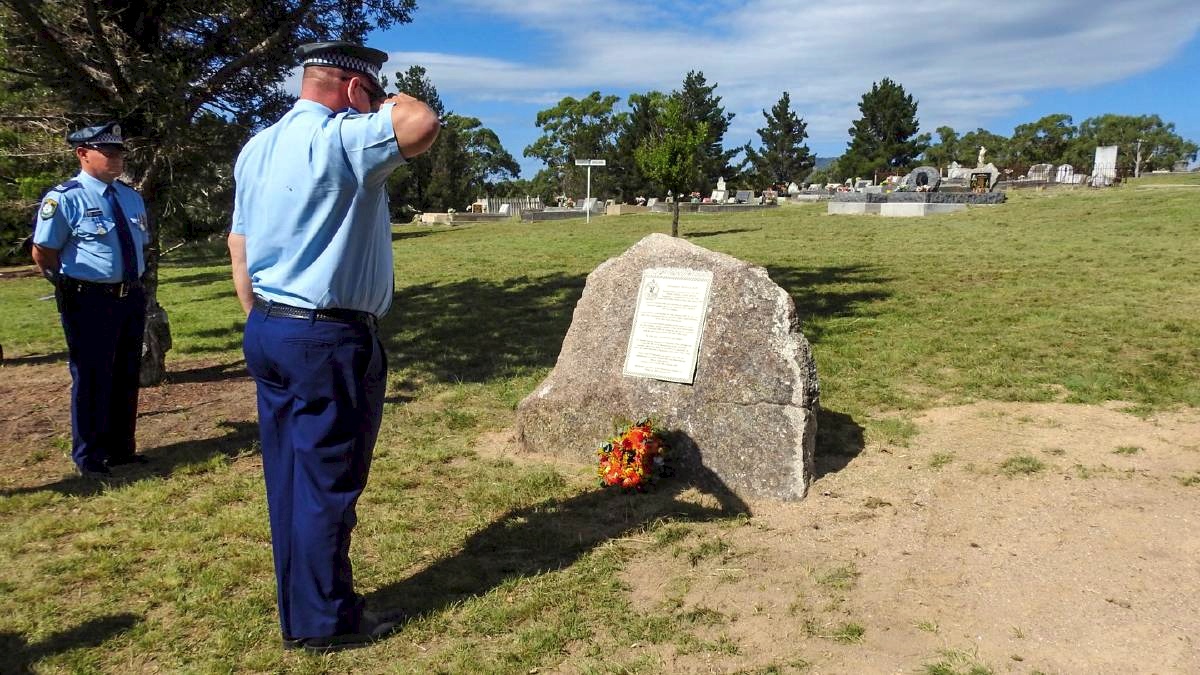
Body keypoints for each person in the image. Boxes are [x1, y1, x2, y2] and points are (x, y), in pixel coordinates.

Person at [227, 41, 439, 653]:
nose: (377, 105)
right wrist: (391, 101)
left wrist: (263, 320)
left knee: (289, 479)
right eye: (372, 94)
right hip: (327, 335)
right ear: (353, 91)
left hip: (270, 326)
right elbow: (421, 124)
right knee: (327, 481)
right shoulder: (342, 138)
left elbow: (238, 246)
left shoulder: (257, 146)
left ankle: (302, 608)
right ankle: (325, 621)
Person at [31, 121, 149, 478]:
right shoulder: (66, 197)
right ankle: (91, 456)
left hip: (130, 295)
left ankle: (121, 448)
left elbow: (140, 244)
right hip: (89, 299)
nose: (117, 160)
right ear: (83, 154)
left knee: (126, 372)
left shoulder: (130, 196)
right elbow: (43, 251)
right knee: (93, 375)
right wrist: (66, 287)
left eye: (120, 153)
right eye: (108, 153)